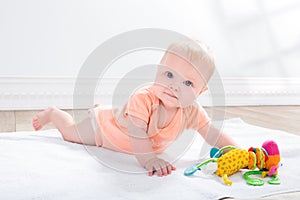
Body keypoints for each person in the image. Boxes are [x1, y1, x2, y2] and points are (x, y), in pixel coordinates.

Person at [32, 39, 238, 177]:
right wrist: (149, 159)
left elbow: (213, 134)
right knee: (70, 134)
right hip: (103, 130)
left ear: (200, 92)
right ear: (158, 71)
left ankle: (112, 111)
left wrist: (238, 153)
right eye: (169, 75)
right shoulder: (144, 98)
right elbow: (137, 131)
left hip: (120, 122)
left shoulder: (192, 111)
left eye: (188, 83)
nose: (175, 85)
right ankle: (53, 113)